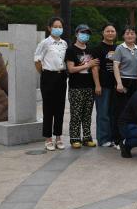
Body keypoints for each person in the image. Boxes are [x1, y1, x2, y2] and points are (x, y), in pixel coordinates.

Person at [34, 17, 68, 151]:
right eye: (55, 26)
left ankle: (58, 137)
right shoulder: (45, 43)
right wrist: (45, 74)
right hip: (48, 76)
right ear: (49, 28)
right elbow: (37, 60)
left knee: (60, 108)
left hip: (61, 76)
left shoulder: (64, 43)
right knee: (48, 108)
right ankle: (48, 138)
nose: (58, 29)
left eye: (60, 27)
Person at [65, 24, 98, 148]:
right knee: (76, 113)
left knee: (87, 114)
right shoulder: (71, 50)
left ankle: (87, 138)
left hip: (89, 86)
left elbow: (94, 68)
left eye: (87, 33)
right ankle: (74, 138)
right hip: (76, 87)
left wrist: (97, 85)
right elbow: (71, 69)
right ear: (77, 34)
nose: (85, 35)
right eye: (83, 32)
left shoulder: (91, 50)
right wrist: (87, 65)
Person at [113, 26, 137, 147]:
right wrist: (119, 83)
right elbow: (116, 66)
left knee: (134, 111)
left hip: (135, 82)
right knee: (121, 111)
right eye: (127, 33)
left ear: (135, 35)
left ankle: (132, 138)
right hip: (123, 81)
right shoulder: (120, 48)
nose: (130, 35)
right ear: (123, 36)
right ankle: (118, 140)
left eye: (132, 33)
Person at [91, 23, 117, 147]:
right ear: (103, 33)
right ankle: (103, 139)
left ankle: (112, 137)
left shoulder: (118, 48)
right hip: (103, 85)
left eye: (112, 31)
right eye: (108, 31)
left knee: (113, 112)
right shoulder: (97, 49)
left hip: (115, 86)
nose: (110, 33)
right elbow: (95, 68)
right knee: (103, 113)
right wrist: (97, 85)